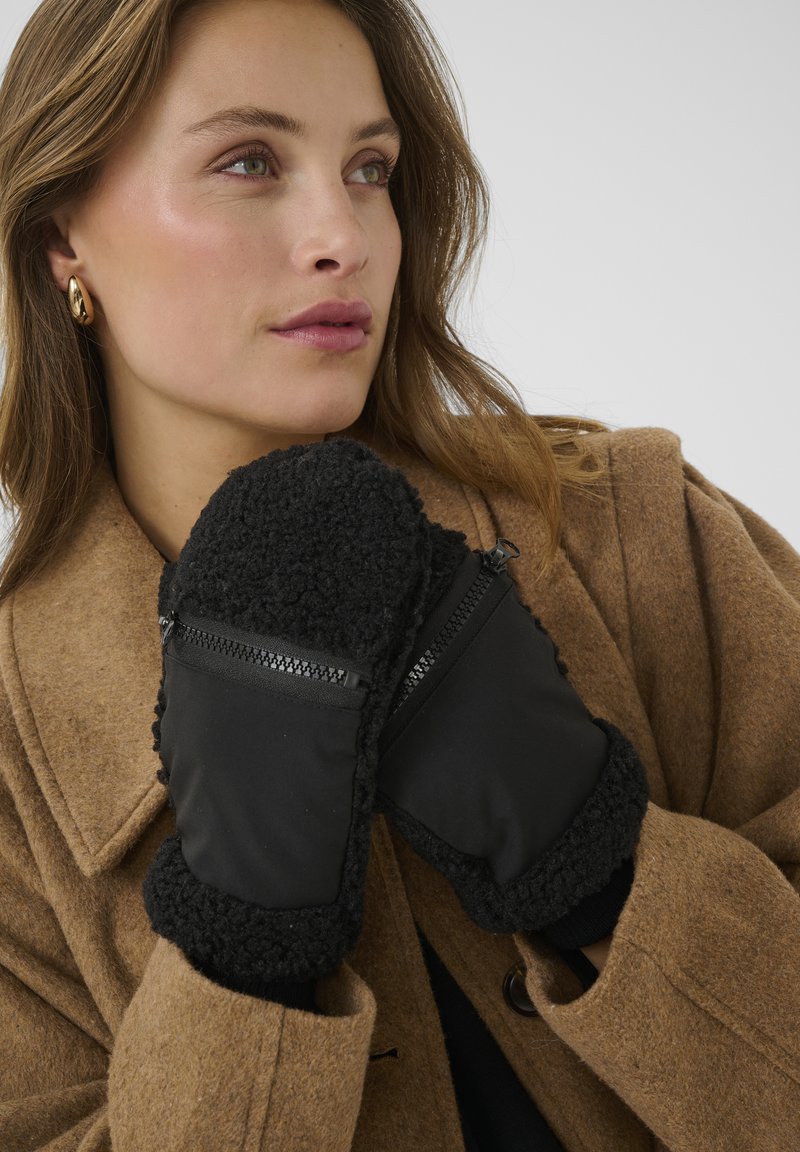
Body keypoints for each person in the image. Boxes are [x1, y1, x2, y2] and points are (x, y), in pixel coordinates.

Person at [0, 0, 797, 1148]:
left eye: (368, 168)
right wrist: (243, 951)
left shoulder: (639, 533)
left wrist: (599, 866)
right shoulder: (11, 762)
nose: (345, 236)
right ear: (60, 235)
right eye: (248, 161)